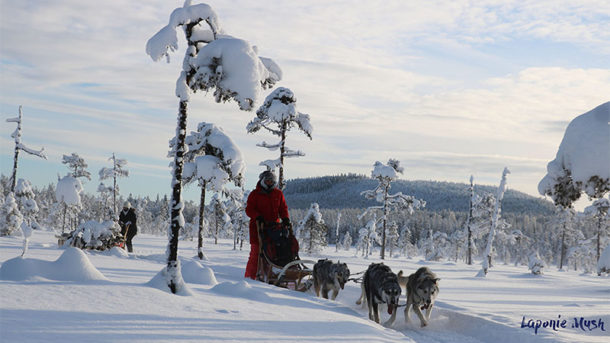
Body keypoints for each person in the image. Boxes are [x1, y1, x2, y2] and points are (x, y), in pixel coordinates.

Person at [244, 170, 291, 279]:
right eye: (267, 180)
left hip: (274, 229)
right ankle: (249, 277)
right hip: (258, 228)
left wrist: (285, 219)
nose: (269, 182)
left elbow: (283, 208)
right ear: (263, 181)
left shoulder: (278, 193)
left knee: (275, 253)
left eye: (271, 181)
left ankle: (271, 275)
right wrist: (257, 216)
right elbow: (249, 209)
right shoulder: (255, 194)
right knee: (256, 253)